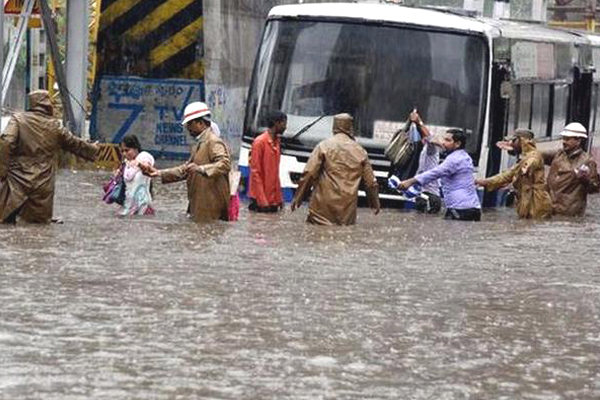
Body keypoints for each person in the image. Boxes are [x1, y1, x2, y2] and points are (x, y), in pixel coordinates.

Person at [0, 89, 98, 224]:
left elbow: (6, 142)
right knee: (37, 226)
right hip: (43, 180)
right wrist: (93, 150)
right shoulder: (55, 126)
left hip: (17, 178)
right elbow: (73, 143)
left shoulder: (18, 120)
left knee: (6, 220)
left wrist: (2, 170)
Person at [142, 102, 231, 222]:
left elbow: (225, 163)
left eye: (190, 124)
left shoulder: (213, 141)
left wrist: (202, 169)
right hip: (198, 204)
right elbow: (185, 170)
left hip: (211, 207)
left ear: (200, 123)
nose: (187, 128)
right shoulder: (199, 144)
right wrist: (158, 173)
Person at [291, 113, 380, 225]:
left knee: (316, 236)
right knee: (343, 236)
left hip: (321, 208)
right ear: (351, 127)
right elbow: (371, 183)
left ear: (334, 127)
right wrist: (374, 203)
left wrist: (298, 197)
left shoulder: (323, 146)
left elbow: (309, 173)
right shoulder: (360, 151)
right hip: (346, 210)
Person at [398, 128, 481, 221]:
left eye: (448, 140)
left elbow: (435, 173)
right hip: (472, 207)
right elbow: (431, 139)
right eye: (444, 139)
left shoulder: (454, 160)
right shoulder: (465, 157)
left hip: (460, 208)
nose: (444, 143)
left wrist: (410, 182)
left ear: (457, 144)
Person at [476, 129, 552, 219]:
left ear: (522, 140)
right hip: (526, 200)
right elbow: (509, 174)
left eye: (514, 140)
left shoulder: (533, 156)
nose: (511, 143)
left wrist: (527, 167)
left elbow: (532, 162)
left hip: (536, 202)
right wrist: (485, 182)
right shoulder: (524, 157)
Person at [389, 110, 442, 213]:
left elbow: (430, 138)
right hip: (420, 195)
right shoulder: (419, 150)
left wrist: (419, 122)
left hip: (429, 196)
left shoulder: (431, 150)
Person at [544, 122, 599, 216]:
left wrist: (585, 180)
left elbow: (595, 188)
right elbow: (536, 154)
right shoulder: (558, 154)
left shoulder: (588, 161)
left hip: (570, 214)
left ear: (578, 140)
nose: (563, 142)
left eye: (567, 139)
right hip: (549, 210)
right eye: (563, 138)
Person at [249, 111, 287, 212]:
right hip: (260, 202)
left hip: (273, 200)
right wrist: (262, 201)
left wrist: (279, 199)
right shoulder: (259, 142)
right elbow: (255, 173)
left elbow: (275, 174)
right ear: (276, 123)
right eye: (284, 123)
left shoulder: (277, 142)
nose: (285, 127)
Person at [119, 135, 155, 216]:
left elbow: (147, 167)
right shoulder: (127, 163)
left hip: (144, 207)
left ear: (135, 148)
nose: (124, 154)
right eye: (122, 151)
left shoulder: (144, 157)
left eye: (127, 150)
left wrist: (140, 165)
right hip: (128, 207)